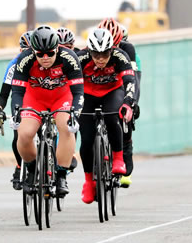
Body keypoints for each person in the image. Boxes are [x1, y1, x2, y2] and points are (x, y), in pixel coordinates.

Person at [10, 25, 84, 196]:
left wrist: (76, 113)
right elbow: (17, 91)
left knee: (66, 127)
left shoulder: (69, 58)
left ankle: (61, 175)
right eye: (40, 54)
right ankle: (31, 168)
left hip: (61, 98)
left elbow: (78, 92)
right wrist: (16, 112)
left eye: (50, 53)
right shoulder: (24, 58)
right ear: (33, 51)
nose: (45, 58)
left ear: (57, 49)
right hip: (35, 98)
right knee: (25, 133)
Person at [77, 28, 137, 203]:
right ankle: (89, 182)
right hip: (88, 95)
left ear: (112, 50)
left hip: (112, 92)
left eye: (105, 54)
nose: (101, 59)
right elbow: (70, 84)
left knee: (112, 117)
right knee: (86, 140)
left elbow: (130, 81)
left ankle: (118, 158)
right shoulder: (81, 58)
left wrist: (128, 102)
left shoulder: (120, 57)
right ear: (90, 51)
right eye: (96, 55)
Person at [99, 18, 142, 187]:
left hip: (123, 81)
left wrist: (132, 102)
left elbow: (134, 80)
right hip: (102, 84)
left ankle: (126, 148)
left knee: (126, 111)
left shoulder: (128, 50)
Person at [0, 31, 33, 189]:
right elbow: (4, 94)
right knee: (18, 134)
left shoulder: (45, 62)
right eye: (26, 51)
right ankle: (19, 166)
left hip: (40, 98)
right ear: (20, 51)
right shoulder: (14, 65)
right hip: (21, 98)